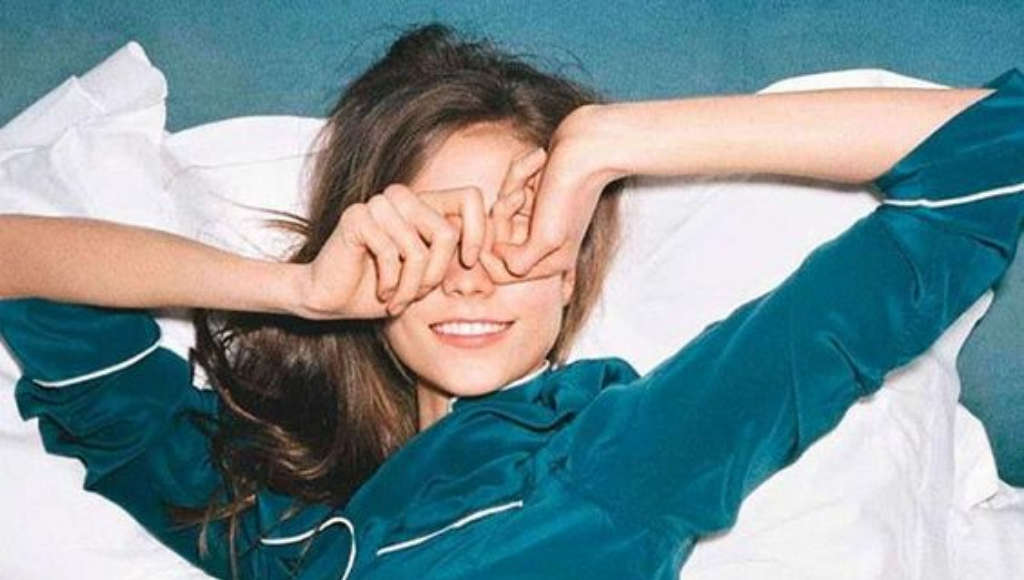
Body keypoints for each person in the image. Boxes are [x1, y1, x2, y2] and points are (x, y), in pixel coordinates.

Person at [1, 22, 1022, 580]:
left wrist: (607, 145)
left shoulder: (621, 456)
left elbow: (993, 161)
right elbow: (24, 271)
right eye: (437, 231)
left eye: (522, 230)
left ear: (574, 267)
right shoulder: (279, 529)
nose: (475, 272)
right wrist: (297, 289)